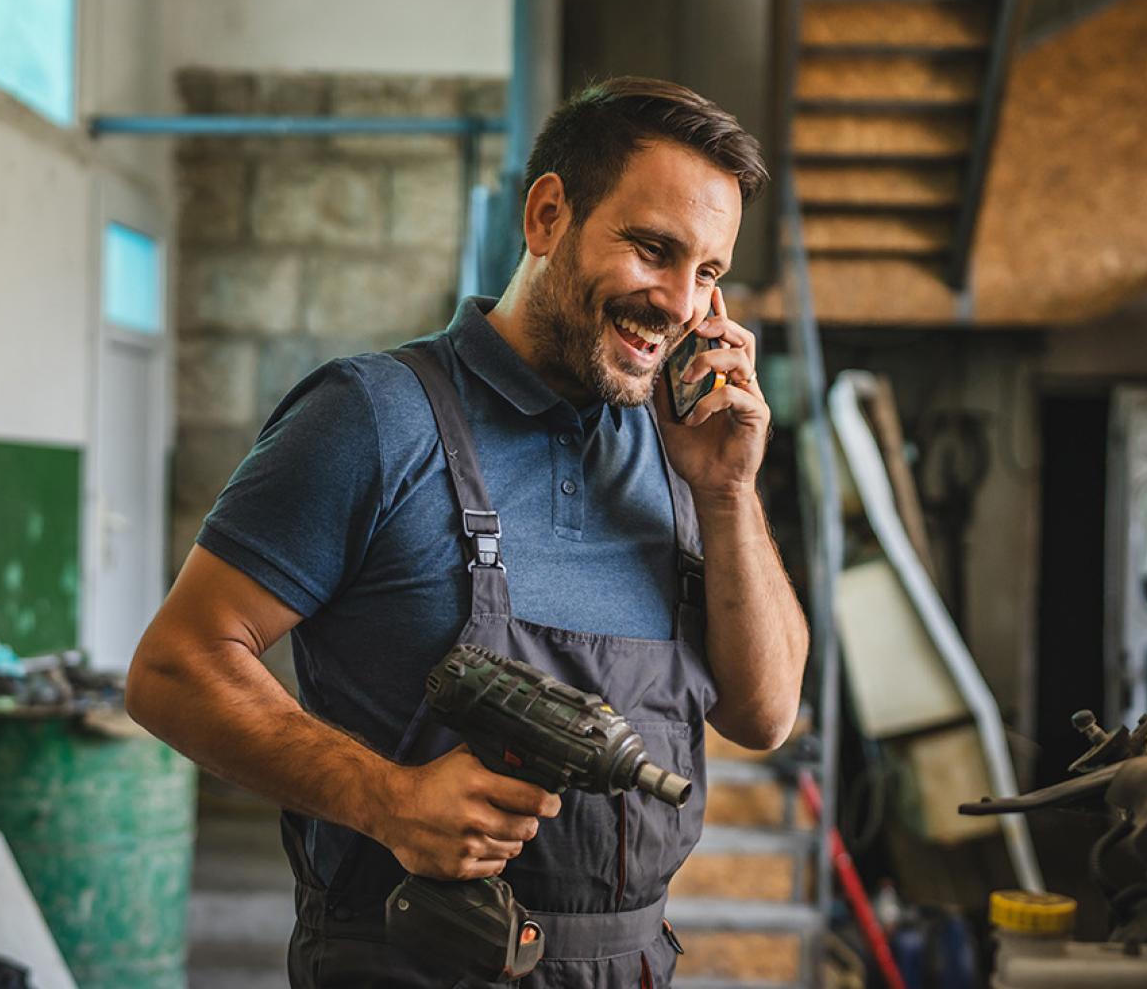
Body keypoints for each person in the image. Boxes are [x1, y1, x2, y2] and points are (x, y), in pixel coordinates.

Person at [127, 76, 809, 987]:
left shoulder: (684, 454)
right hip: (410, 963)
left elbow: (762, 715)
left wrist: (729, 492)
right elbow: (175, 667)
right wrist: (388, 799)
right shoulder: (372, 417)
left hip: (629, 966)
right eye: (653, 249)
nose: (683, 302)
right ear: (547, 215)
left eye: (710, 273)